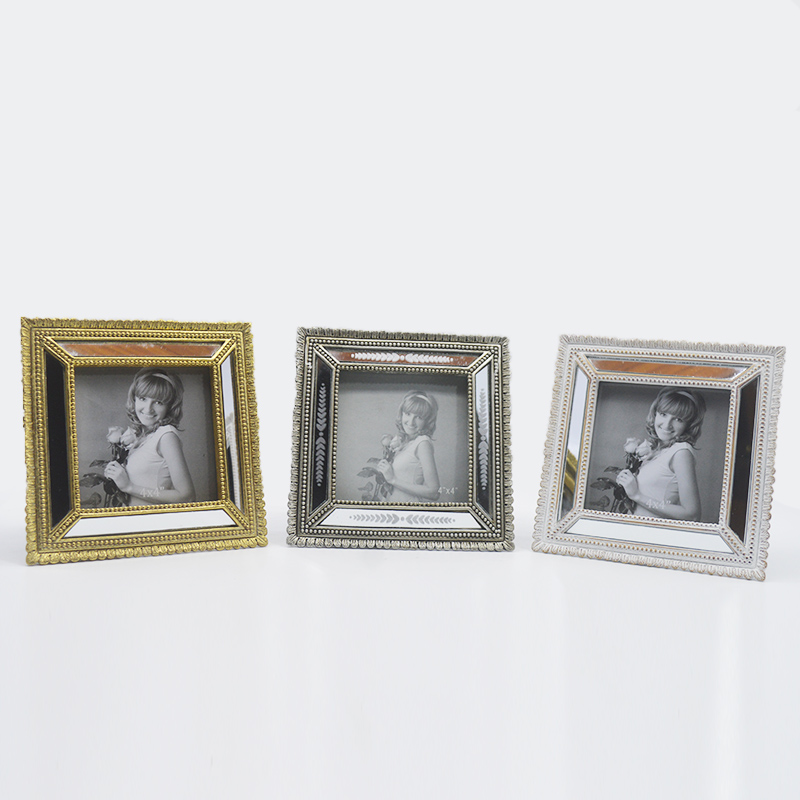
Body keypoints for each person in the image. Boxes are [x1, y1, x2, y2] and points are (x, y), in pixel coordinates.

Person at [104, 368, 196, 506]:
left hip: (152, 517)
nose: (148, 409)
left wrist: (130, 487)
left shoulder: (167, 436)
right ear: (134, 399)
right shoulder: (144, 436)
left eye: (158, 402)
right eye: (143, 399)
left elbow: (186, 496)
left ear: (169, 406)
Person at [616, 387, 705, 521]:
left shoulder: (681, 452)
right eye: (663, 414)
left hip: (652, 530)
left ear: (689, 425)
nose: (667, 425)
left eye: (678, 419)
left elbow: (692, 514)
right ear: (655, 414)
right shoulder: (658, 450)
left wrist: (637, 496)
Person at [376, 390, 441, 502]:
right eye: (408, 414)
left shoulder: (423, 443)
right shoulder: (405, 442)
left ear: (427, 421)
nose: (411, 422)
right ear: (402, 414)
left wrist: (393, 480)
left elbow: (434, 492)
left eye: (419, 417)